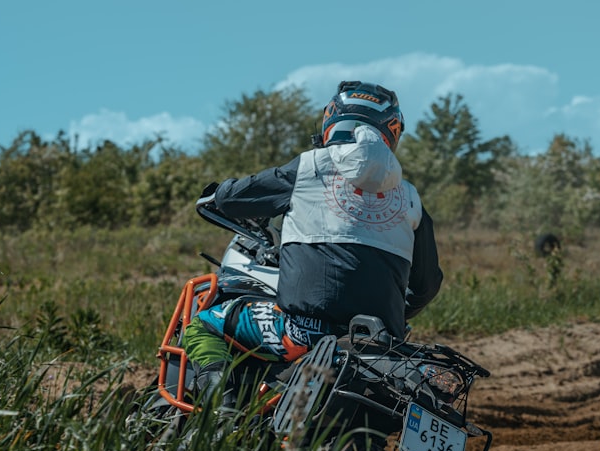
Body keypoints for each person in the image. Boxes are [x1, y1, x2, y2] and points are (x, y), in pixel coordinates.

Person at [182, 80, 443, 414]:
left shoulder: (310, 167)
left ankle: (220, 420)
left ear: (331, 120)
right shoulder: (410, 197)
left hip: (304, 334)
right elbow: (426, 285)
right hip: (378, 345)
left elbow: (237, 197)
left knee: (204, 324)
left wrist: (218, 194)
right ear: (391, 132)